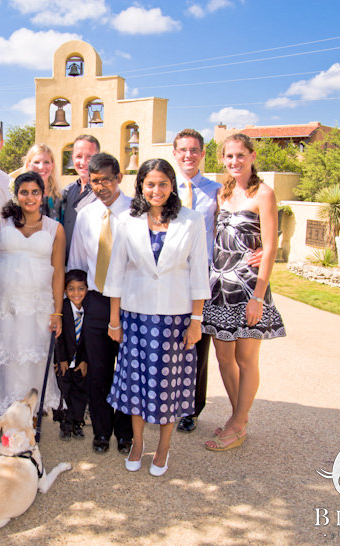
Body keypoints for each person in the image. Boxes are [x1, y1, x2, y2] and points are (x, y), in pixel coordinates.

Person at [104, 159, 210, 476]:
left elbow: (198, 274)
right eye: (150, 184)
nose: (157, 190)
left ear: (172, 186)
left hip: (175, 319)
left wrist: (196, 320)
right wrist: (114, 321)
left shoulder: (191, 221)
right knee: (136, 384)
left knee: (168, 386)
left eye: (163, 183)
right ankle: (138, 444)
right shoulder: (126, 220)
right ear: (140, 186)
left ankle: (163, 448)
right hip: (135, 317)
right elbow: (116, 273)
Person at [202, 133, 286, 452]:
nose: (234, 161)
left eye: (240, 155)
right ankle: (240, 418)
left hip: (249, 287)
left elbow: (271, 246)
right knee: (224, 357)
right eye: (229, 156)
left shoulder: (263, 193)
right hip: (220, 286)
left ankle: (237, 424)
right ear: (222, 159)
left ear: (252, 156)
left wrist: (259, 296)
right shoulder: (222, 193)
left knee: (246, 357)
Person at [68, 152, 133, 455]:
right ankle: (102, 431)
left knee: (128, 369)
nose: (101, 186)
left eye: (107, 179)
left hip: (130, 303)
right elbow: (78, 264)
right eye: (95, 181)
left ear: (118, 177)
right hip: (96, 301)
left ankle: (125, 432)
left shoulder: (137, 212)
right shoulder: (86, 215)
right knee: (98, 370)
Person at [0, 171, 65, 415]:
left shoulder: (56, 229)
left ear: (43, 195)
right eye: (24, 192)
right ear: (16, 195)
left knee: (34, 360)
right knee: (8, 360)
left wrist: (58, 312)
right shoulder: (1, 222)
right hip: (6, 305)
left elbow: (58, 273)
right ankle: (9, 414)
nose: (30, 197)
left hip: (38, 307)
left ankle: (30, 415)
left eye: (35, 192)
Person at [54, 269, 90, 440]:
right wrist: (60, 359)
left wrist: (84, 360)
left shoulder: (90, 310)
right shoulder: (63, 311)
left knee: (80, 393)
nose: (76, 293)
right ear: (65, 291)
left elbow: (89, 340)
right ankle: (66, 424)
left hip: (80, 363)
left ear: (87, 289)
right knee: (65, 393)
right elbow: (57, 339)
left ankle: (78, 423)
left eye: (81, 288)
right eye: (71, 289)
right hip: (65, 362)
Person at [61, 135, 100, 261]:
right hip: (66, 268)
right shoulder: (68, 191)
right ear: (72, 158)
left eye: (90, 157)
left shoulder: (103, 195)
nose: (83, 162)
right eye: (79, 156)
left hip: (90, 269)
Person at [20, 143, 63, 222]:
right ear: (28, 165)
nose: (41, 167)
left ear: (52, 165)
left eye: (46, 162)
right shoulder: (19, 197)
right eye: (36, 162)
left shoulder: (60, 198)